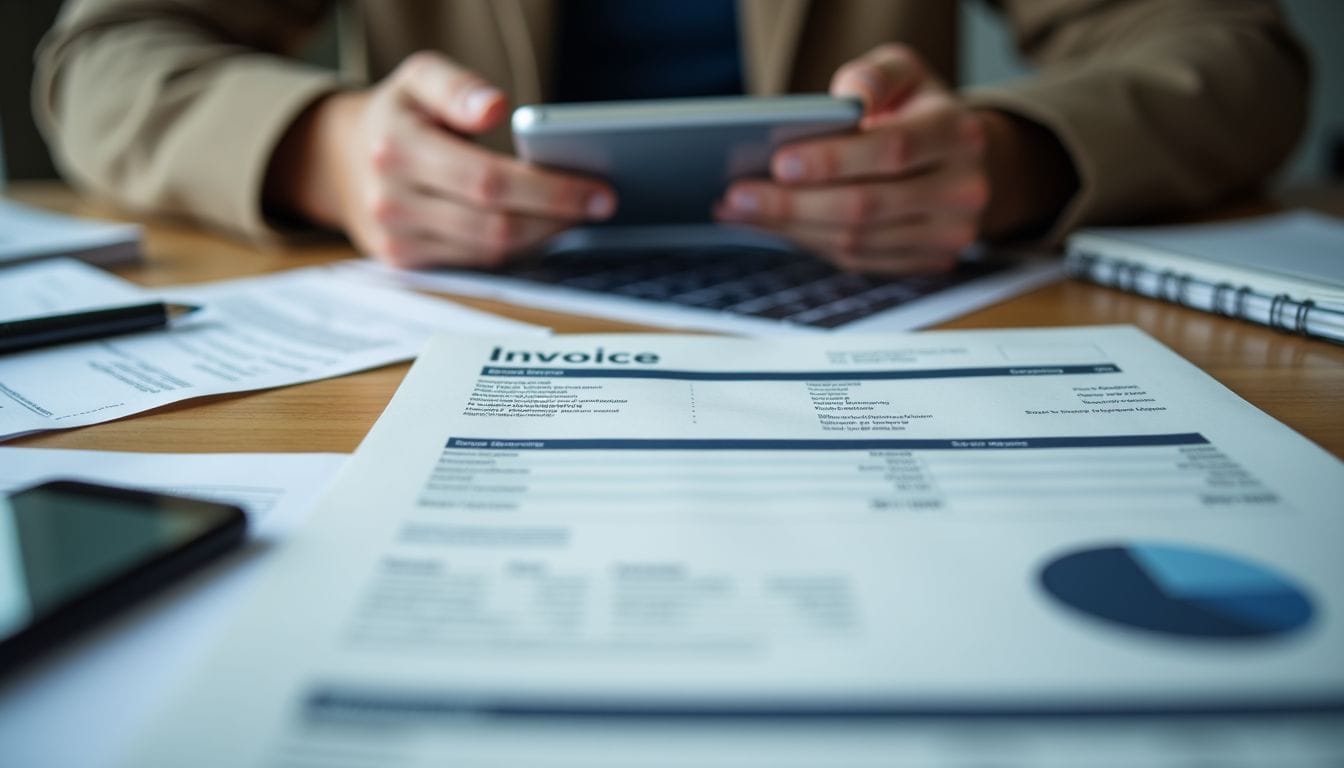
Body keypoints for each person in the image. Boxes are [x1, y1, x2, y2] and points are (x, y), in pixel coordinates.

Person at [34, 0, 1309, 275]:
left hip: (895, 308)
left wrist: (1013, 156)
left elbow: (1230, 48)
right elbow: (103, 52)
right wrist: (324, 144)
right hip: (456, 323)